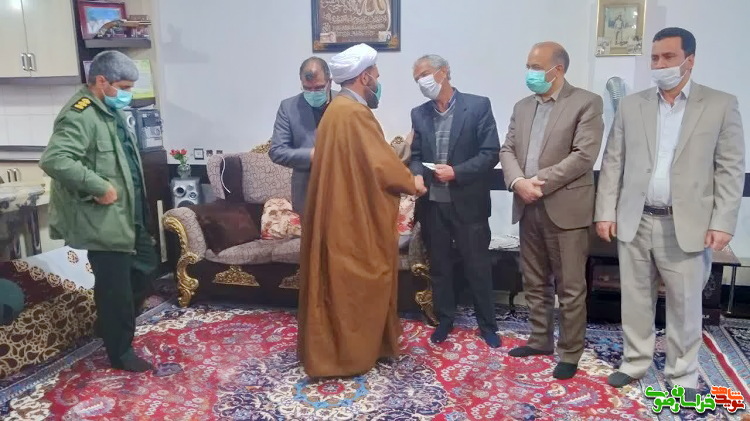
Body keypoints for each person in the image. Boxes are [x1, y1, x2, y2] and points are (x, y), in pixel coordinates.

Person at [595, 27, 745, 397]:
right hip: (635, 219)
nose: (659, 65)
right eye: (655, 58)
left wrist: (723, 222)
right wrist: (605, 212)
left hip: (686, 224)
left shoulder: (720, 104)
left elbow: (729, 168)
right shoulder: (632, 105)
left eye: (668, 57)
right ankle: (634, 362)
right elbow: (613, 162)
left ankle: (682, 375)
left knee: (685, 305)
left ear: (689, 60)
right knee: (635, 299)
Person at [297, 43, 420, 378]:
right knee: (359, 281)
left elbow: (366, 160)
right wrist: (412, 182)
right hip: (352, 217)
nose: (378, 80)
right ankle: (350, 355)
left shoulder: (335, 111)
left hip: (337, 212)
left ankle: (337, 349)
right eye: (376, 74)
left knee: (336, 284)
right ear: (364, 77)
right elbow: (381, 167)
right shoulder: (355, 114)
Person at [39, 50, 158, 372]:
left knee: (145, 271)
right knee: (115, 289)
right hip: (104, 218)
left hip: (130, 215)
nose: (128, 94)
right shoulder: (80, 114)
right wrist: (98, 186)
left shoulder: (109, 110)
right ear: (102, 81)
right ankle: (120, 353)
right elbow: (55, 159)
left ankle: (107, 326)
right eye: (124, 87)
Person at [499, 42, 604, 379]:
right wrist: (518, 182)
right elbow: (507, 149)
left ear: (557, 69)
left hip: (566, 208)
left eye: (535, 66)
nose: (529, 73)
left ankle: (570, 352)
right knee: (534, 280)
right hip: (527, 205)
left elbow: (583, 156)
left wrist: (537, 182)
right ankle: (539, 339)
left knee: (570, 286)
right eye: (528, 66)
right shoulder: (522, 107)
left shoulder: (586, 103)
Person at [409, 54, 501, 348]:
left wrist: (457, 172)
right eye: (417, 79)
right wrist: (416, 175)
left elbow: (490, 153)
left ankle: (487, 325)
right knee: (439, 267)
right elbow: (416, 155)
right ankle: (444, 320)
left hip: (468, 203)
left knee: (477, 266)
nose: (421, 82)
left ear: (444, 72)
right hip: (433, 205)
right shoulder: (419, 113)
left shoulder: (477, 106)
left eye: (425, 74)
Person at [269, 57, 337, 214]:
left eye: (319, 88)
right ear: (301, 83)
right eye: (307, 88)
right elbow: (277, 151)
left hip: (341, 188)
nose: (313, 93)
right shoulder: (288, 108)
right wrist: (312, 155)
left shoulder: (345, 103)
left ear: (329, 82)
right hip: (306, 192)